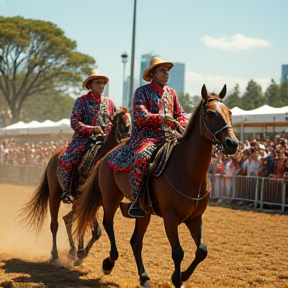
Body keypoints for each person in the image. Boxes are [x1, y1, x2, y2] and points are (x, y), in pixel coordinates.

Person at [107, 57, 188, 217]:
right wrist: (161, 118)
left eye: (167, 71)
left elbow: (181, 113)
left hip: (171, 135)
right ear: (153, 74)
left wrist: (181, 121)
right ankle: (137, 200)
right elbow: (139, 114)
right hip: (147, 136)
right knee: (141, 157)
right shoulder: (141, 92)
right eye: (162, 70)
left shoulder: (171, 93)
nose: (166, 74)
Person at [57, 68, 116, 203]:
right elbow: (74, 122)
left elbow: (113, 120)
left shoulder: (110, 103)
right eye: (98, 83)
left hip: (105, 140)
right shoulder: (81, 101)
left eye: (103, 83)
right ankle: (66, 190)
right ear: (90, 85)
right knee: (67, 159)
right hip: (84, 139)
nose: (101, 86)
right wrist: (93, 129)